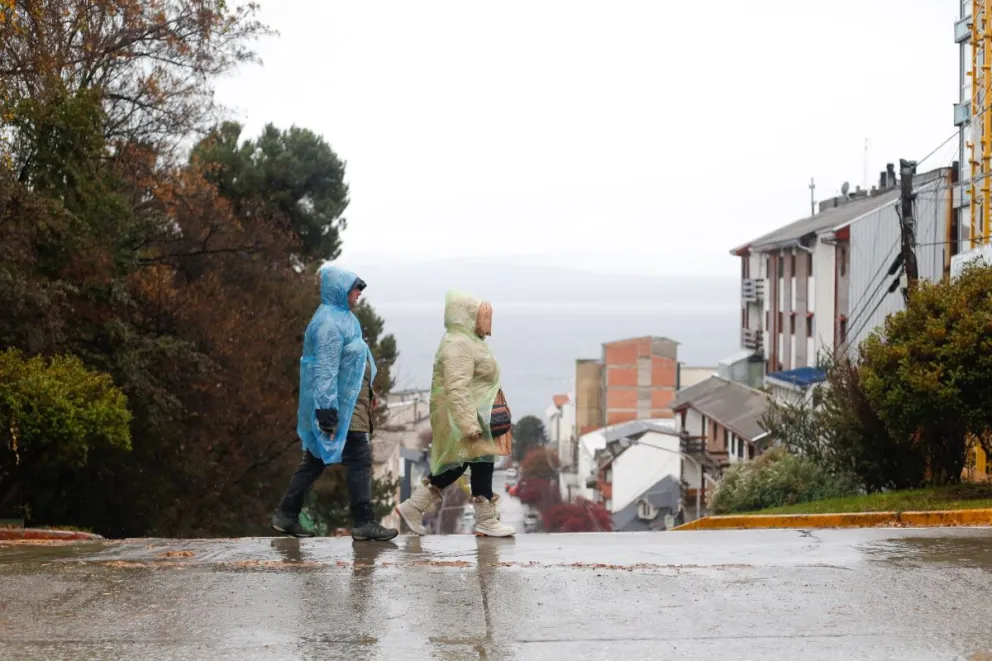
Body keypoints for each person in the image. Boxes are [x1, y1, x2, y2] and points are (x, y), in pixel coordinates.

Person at [271, 265, 398, 542]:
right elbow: (325, 371)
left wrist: (369, 393)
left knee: (315, 460)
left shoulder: (345, 319)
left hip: (349, 402)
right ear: (341, 290)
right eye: (355, 289)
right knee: (360, 458)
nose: (358, 295)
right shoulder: (329, 323)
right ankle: (364, 522)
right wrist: (327, 414)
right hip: (339, 406)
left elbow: (353, 363)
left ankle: (286, 514)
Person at [396, 291, 515, 537]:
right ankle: (485, 520)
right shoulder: (458, 344)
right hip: (462, 416)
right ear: (467, 316)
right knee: (473, 461)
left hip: (473, 412)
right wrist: (469, 424)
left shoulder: (467, 340)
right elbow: (457, 387)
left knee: (464, 463)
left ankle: (413, 507)